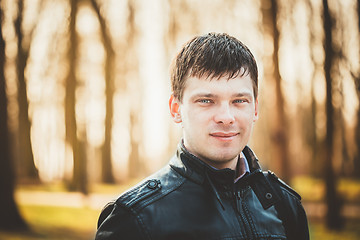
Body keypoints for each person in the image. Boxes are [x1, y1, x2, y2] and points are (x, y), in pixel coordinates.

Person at [95, 32, 309, 240]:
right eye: (206, 101)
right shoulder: (134, 219)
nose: (226, 117)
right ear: (175, 109)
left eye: (239, 101)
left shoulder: (285, 205)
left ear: (255, 109)